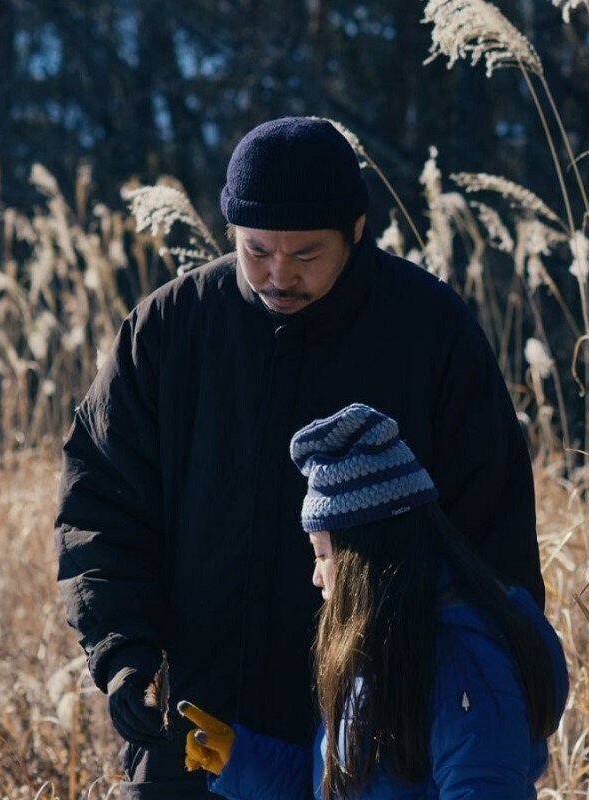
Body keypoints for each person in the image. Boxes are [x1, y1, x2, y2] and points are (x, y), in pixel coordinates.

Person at [54, 117, 542, 798]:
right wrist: (126, 656)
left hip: (374, 736)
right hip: (197, 734)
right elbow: (100, 511)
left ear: (358, 229)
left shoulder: (431, 333)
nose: (279, 273)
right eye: (256, 250)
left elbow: (490, 543)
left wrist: (469, 692)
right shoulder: (169, 330)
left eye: (307, 253)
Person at [178, 403, 568, 799]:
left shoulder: (465, 662)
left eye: (323, 554)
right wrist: (242, 762)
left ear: (361, 557)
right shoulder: (388, 649)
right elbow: (344, 789)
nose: (316, 575)